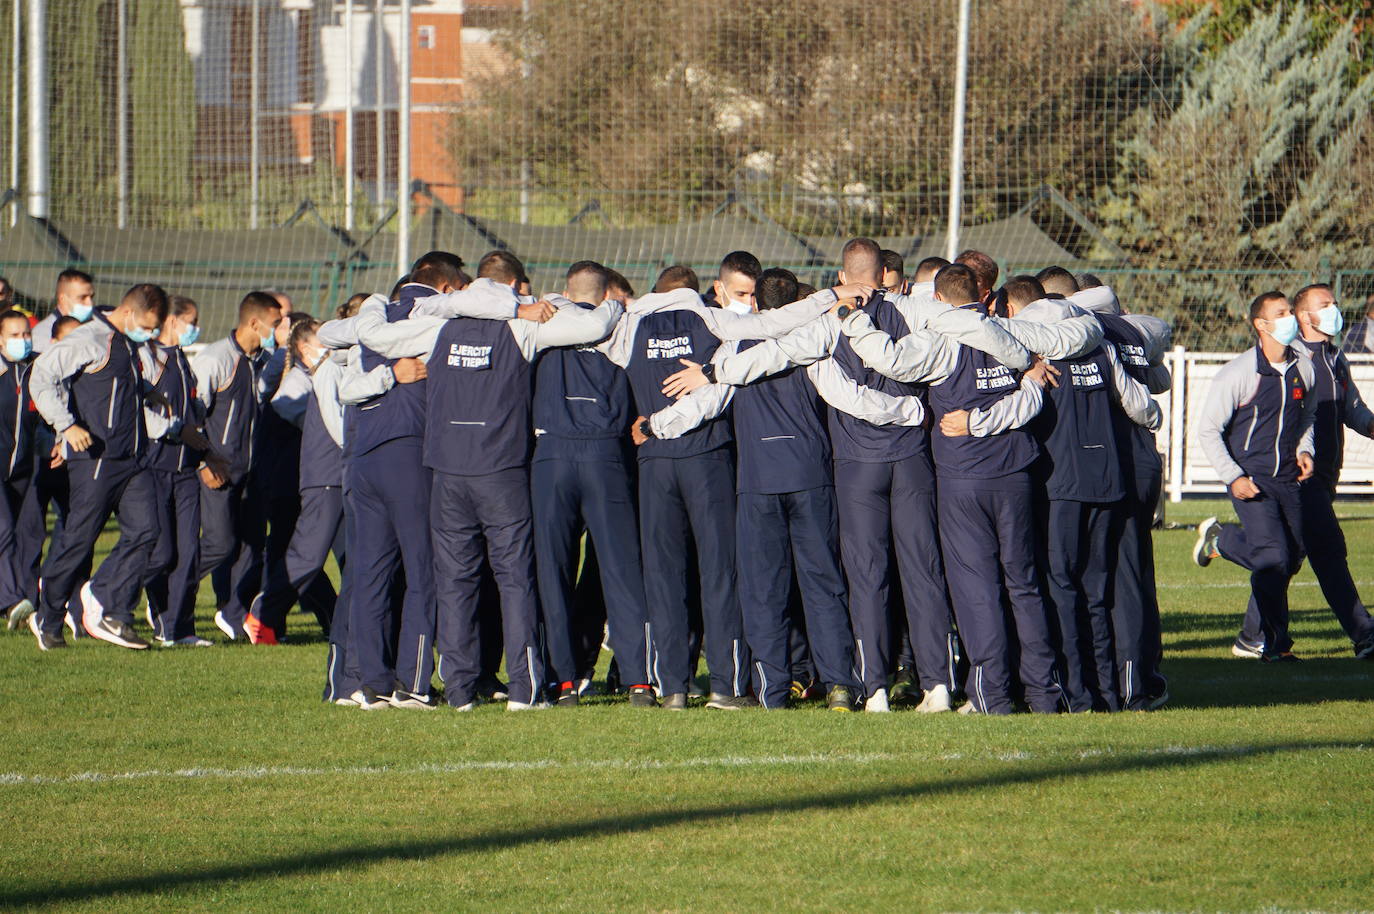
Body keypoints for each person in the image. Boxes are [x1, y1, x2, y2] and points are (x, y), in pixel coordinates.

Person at [353, 271, 621, 712]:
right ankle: (523, 690)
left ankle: (459, 691)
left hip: (447, 472)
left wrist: (374, 300)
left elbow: (377, 337)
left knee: (456, 581)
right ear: (509, 296)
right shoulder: (521, 325)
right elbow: (594, 327)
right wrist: (613, 304)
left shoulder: (438, 327)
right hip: (501, 471)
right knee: (515, 580)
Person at [642, 268, 863, 711]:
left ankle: (772, 690)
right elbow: (845, 396)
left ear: (757, 305)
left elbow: (707, 401)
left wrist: (655, 423)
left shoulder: (736, 348)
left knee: (764, 589)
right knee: (823, 583)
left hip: (758, 483)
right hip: (809, 475)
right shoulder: (815, 342)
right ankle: (840, 684)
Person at [1009, 275, 1162, 712]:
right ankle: (1107, 693)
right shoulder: (1102, 347)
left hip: (1061, 484)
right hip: (1109, 481)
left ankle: (1076, 694)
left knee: (1061, 587)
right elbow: (1140, 404)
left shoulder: (1035, 352)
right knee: (1097, 589)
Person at [527, 262, 655, 707]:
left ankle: (564, 681)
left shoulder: (540, 330)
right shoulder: (622, 328)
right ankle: (639, 679)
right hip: (605, 456)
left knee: (554, 572)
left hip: (552, 457)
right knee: (620, 571)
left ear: (565, 290)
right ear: (606, 295)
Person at [1233, 284, 1374, 660]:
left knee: (1288, 555)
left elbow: (1352, 408)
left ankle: (1252, 635)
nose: (1334, 310)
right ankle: (1365, 635)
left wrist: (1371, 424)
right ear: (1303, 316)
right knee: (1328, 550)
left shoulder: (1335, 357)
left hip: (1325, 474)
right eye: (1324, 305)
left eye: (1334, 303)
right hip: (1297, 475)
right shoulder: (1292, 360)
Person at [27, 283, 169, 651]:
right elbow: (41, 376)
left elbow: (113, 386)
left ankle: (112, 609)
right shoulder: (91, 338)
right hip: (95, 459)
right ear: (129, 313)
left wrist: (145, 393)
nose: (151, 334)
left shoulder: (128, 342)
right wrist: (66, 425)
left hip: (132, 459)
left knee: (147, 532)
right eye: (149, 326)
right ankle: (49, 616)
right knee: (77, 541)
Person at [1194, 291, 1316, 663]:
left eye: (1289, 312)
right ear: (1260, 325)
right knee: (1274, 558)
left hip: (1289, 479)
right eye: (1279, 314)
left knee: (1291, 557)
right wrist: (1233, 476)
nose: (1289, 319)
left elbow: (1307, 416)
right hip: (1252, 479)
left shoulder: (1304, 366)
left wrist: (1305, 448)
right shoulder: (1238, 373)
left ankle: (1223, 543)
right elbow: (1208, 430)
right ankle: (1276, 646)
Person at [247, 319, 348, 645]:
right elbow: (293, 417)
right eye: (324, 342)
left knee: (342, 556)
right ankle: (262, 614)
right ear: (306, 348)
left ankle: (343, 623)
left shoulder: (317, 376)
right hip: (311, 480)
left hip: (326, 477)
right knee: (306, 555)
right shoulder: (298, 381)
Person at [192, 291, 285, 640]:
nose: (278, 331)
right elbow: (193, 415)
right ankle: (167, 592)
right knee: (219, 543)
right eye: (274, 325)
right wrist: (203, 461)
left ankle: (232, 612)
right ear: (254, 323)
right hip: (217, 469)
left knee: (250, 546)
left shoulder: (262, 360)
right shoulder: (215, 358)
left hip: (251, 470)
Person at [141, 295, 215, 646]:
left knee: (190, 551)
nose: (194, 328)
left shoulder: (183, 360)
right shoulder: (148, 357)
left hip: (185, 467)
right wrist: (173, 428)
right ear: (172, 321)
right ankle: (136, 605)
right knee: (163, 551)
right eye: (191, 321)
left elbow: (192, 409)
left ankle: (179, 627)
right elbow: (142, 410)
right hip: (155, 466)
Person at [0, 311, 40, 631]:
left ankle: (28, 603)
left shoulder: (38, 367)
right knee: (3, 530)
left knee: (28, 534)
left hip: (26, 466)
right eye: (14, 335)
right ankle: (13, 601)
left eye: (26, 334)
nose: (22, 340)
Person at [32, 269, 96, 354]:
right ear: (62, 299)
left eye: (91, 297)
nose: (90, 303)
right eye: (82, 298)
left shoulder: (95, 326)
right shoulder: (43, 334)